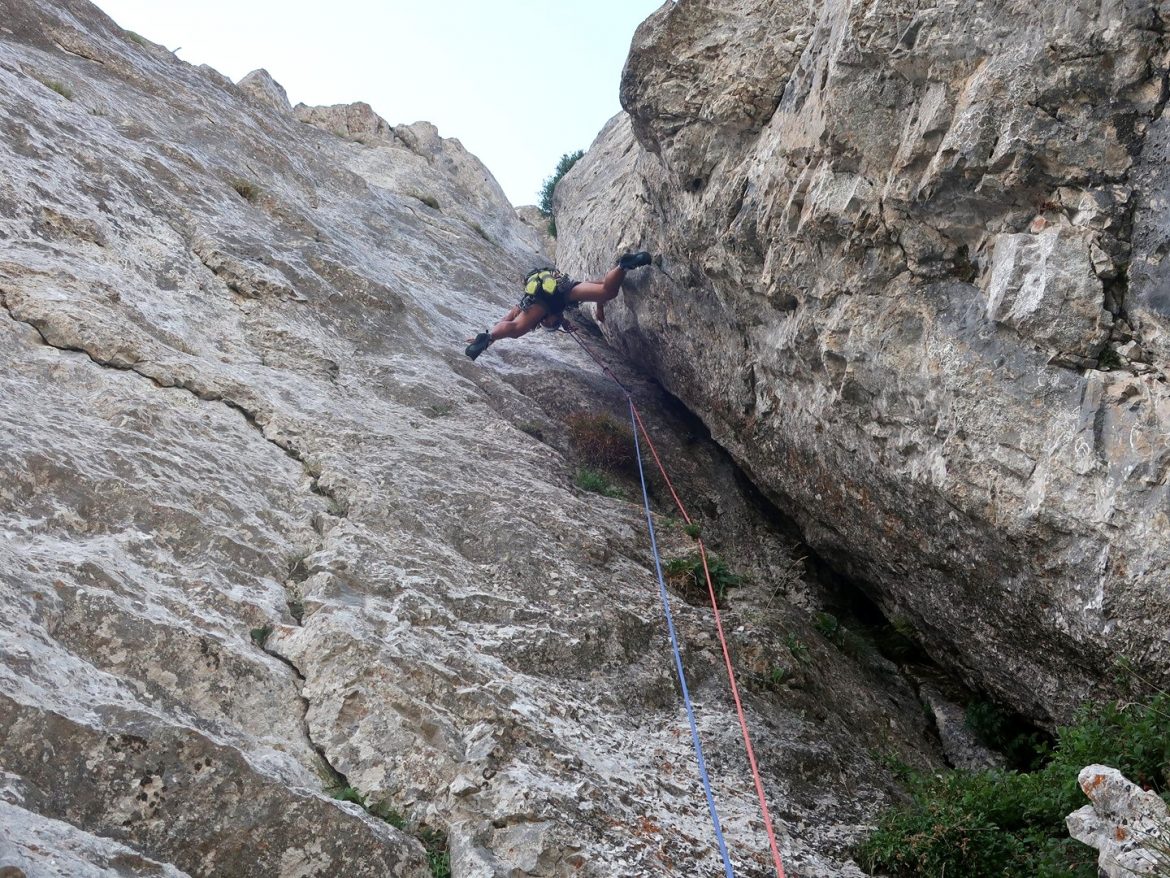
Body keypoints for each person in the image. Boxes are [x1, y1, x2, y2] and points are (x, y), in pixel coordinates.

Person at [464, 251, 653, 360]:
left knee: (517, 330)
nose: (551, 323)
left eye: (550, 325)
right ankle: (623, 266)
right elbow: (600, 285)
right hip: (562, 288)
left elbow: (509, 322)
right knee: (608, 291)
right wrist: (599, 307)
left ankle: (623, 266)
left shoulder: (533, 309)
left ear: (545, 322)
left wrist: (490, 338)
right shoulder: (560, 307)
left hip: (548, 294)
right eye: (555, 324)